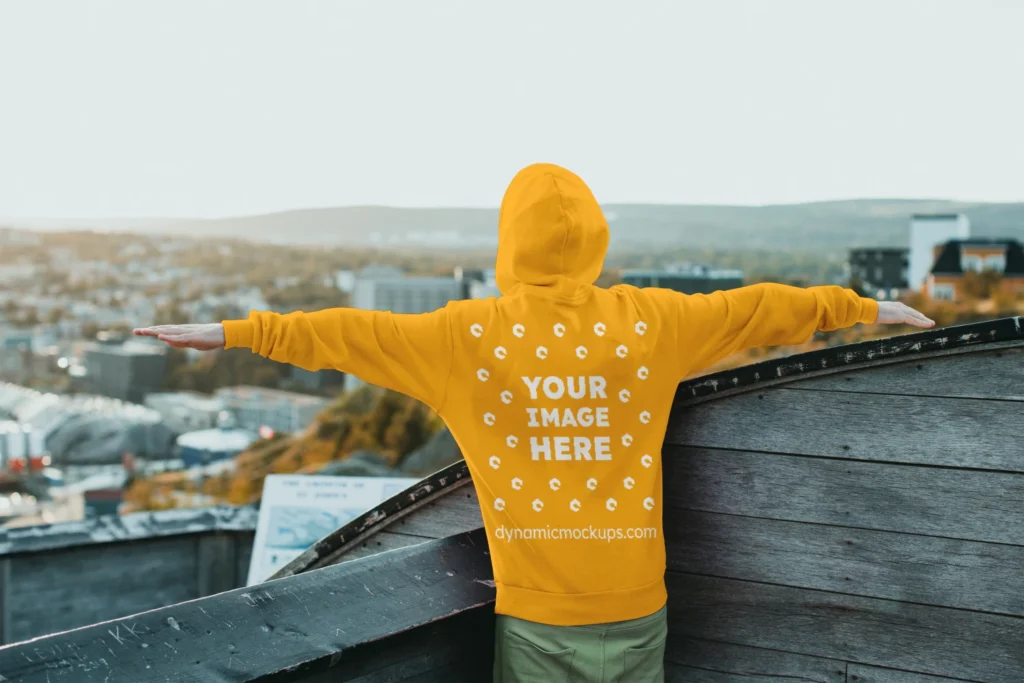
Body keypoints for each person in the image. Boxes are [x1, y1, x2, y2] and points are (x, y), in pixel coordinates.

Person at [135, 163, 933, 683]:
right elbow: (763, 307)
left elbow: (338, 332)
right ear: (594, 240)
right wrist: (863, 306)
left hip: (541, 619)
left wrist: (236, 333)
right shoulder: (650, 321)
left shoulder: (460, 336)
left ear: (508, 242)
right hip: (640, 605)